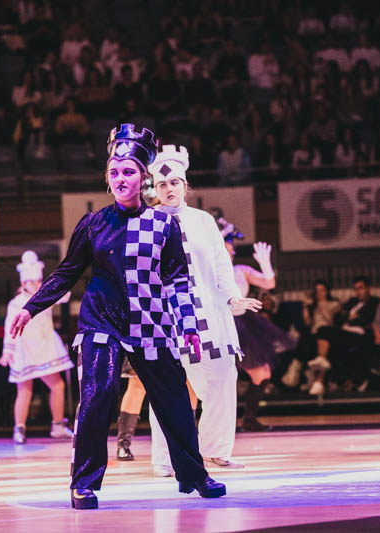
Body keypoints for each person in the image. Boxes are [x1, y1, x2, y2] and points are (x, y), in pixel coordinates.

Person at [9, 124, 225, 510]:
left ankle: (194, 475)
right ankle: (84, 483)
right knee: (98, 396)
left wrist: (189, 324)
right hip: (101, 322)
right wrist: (31, 307)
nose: (121, 178)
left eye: (128, 171)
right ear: (107, 179)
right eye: (114, 172)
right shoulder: (93, 224)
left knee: (175, 399)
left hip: (151, 323)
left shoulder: (164, 225)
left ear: (143, 177)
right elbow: (66, 273)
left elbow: (178, 280)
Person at [147, 145, 261, 476]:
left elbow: (221, 263)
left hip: (209, 312)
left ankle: (215, 449)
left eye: (175, 183)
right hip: (166, 317)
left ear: (185, 186)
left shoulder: (203, 220)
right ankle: (165, 458)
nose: (169, 189)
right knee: (167, 387)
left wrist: (232, 297)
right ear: (155, 188)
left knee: (223, 377)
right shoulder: (147, 221)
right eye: (163, 184)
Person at [222, 221, 295, 431]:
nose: (231, 251)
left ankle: (249, 419)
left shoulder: (240, 270)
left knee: (262, 373)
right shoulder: (209, 274)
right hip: (223, 326)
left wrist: (265, 264)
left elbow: (269, 284)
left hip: (244, 324)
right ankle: (225, 423)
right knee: (220, 378)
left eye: (231, 249)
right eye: (227, 248)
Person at [0, 251, 74, 444]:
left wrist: (60, 281)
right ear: (23, 283)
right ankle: (19, 429)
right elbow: (9, 328)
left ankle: (58, 425)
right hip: (25, 349)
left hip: (46, 346)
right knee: (25, 390)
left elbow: (64, 296)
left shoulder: (44, 296)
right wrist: (8, 351)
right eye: (31, 282)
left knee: (58, 385)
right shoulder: (16, 303)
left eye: (38, 281)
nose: (35, 285)